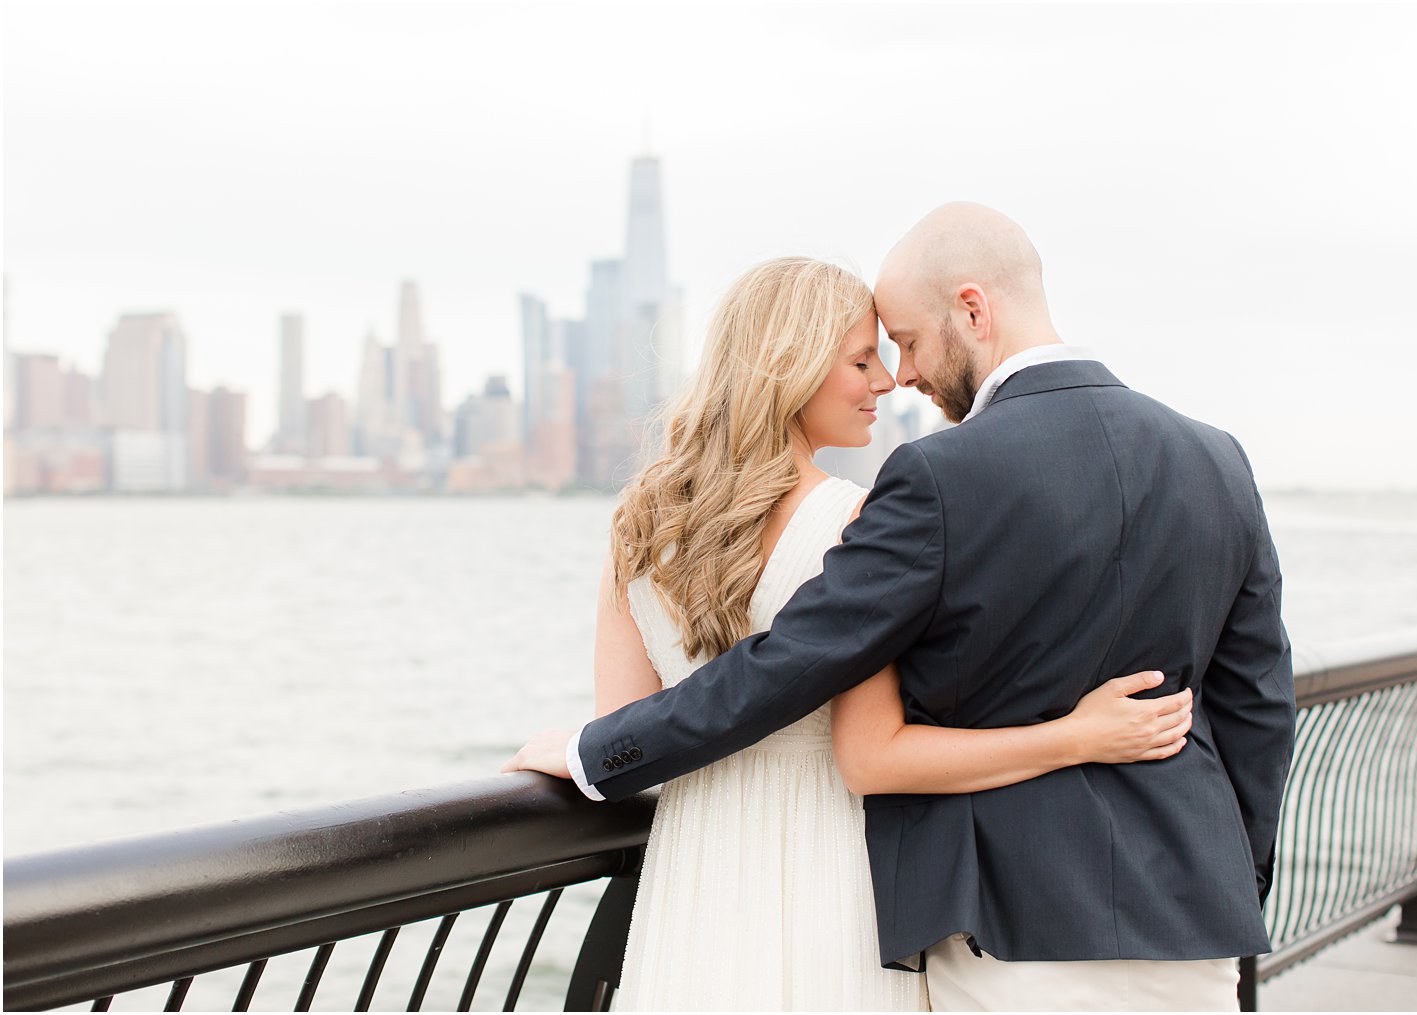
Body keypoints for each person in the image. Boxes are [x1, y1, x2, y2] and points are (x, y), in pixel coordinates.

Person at [509, 205, 1296, 1012]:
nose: (902, 375)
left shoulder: (938, 476)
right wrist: (1232, 878)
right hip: (1197, 923)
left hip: (1008, 924)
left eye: (909, 342)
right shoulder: (1218, 459)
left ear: (973, 310)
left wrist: (596, 753)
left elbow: (791, 663)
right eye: (876, 355)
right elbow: (1259, 704)